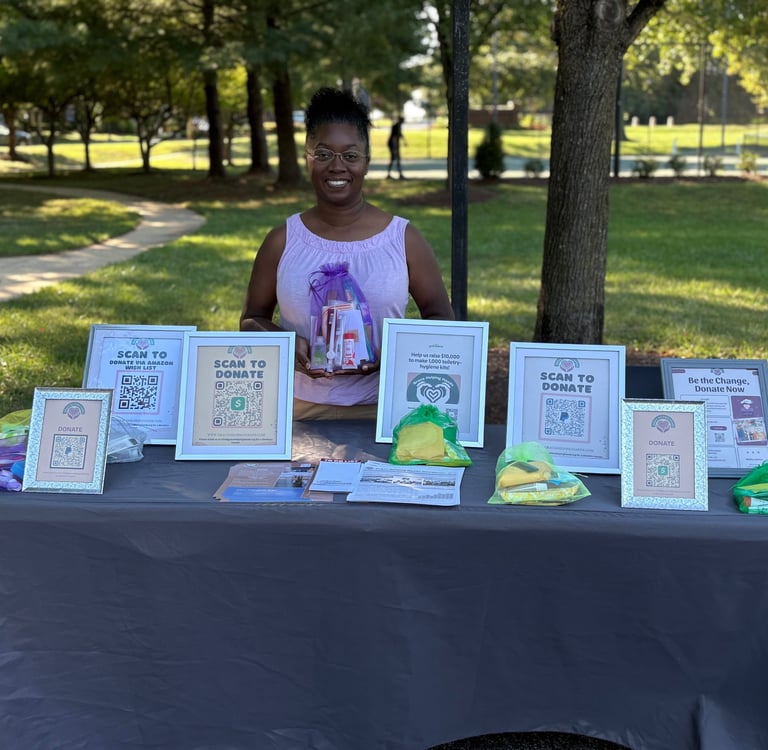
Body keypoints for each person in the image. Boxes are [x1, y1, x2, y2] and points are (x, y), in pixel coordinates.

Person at [240, 87, 454, 421]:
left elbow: (442, 320)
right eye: (323, 154)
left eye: (350, 156)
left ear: (366, 163)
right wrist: (285, 343)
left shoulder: (403, 239)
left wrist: (395, 354)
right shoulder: (282, 241)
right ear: (307, 159)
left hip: (387, 411)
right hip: (295, 409)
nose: (337, 167)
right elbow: (251, 319)